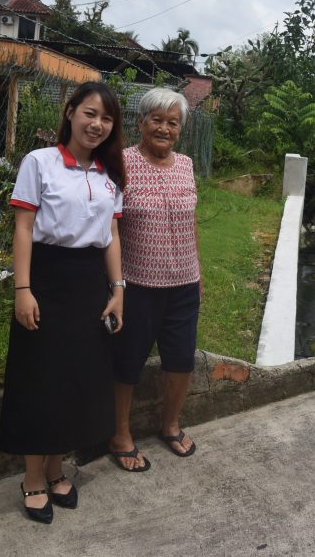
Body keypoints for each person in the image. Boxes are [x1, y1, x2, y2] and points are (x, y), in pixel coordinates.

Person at [0, 82, 127, 524]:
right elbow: (23, 227)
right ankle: (33, 477)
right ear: (70, 113)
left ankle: (56, 470)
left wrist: (117, 290)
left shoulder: (110, 174)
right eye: (89, 114)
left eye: (106, 118)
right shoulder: (41, 162)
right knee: (41, 379)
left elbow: (111, 235)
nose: (97, 125)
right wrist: (23, 289)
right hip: (47, 280)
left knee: (75, 380)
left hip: (89, 284)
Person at [108, 87, 202, 471]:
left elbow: (191, 220)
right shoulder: (121, 163)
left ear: (180, 129)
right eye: (157, 120)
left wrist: (199, 274)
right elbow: (110, 228)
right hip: (137, 284)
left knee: (180, 360)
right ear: (141, 122)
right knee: (127, 362)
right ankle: (120, 434)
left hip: (184, 283)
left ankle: (170, 425)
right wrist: (115, 285)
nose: (165, 128)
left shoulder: (186, 165)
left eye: (173, 122)